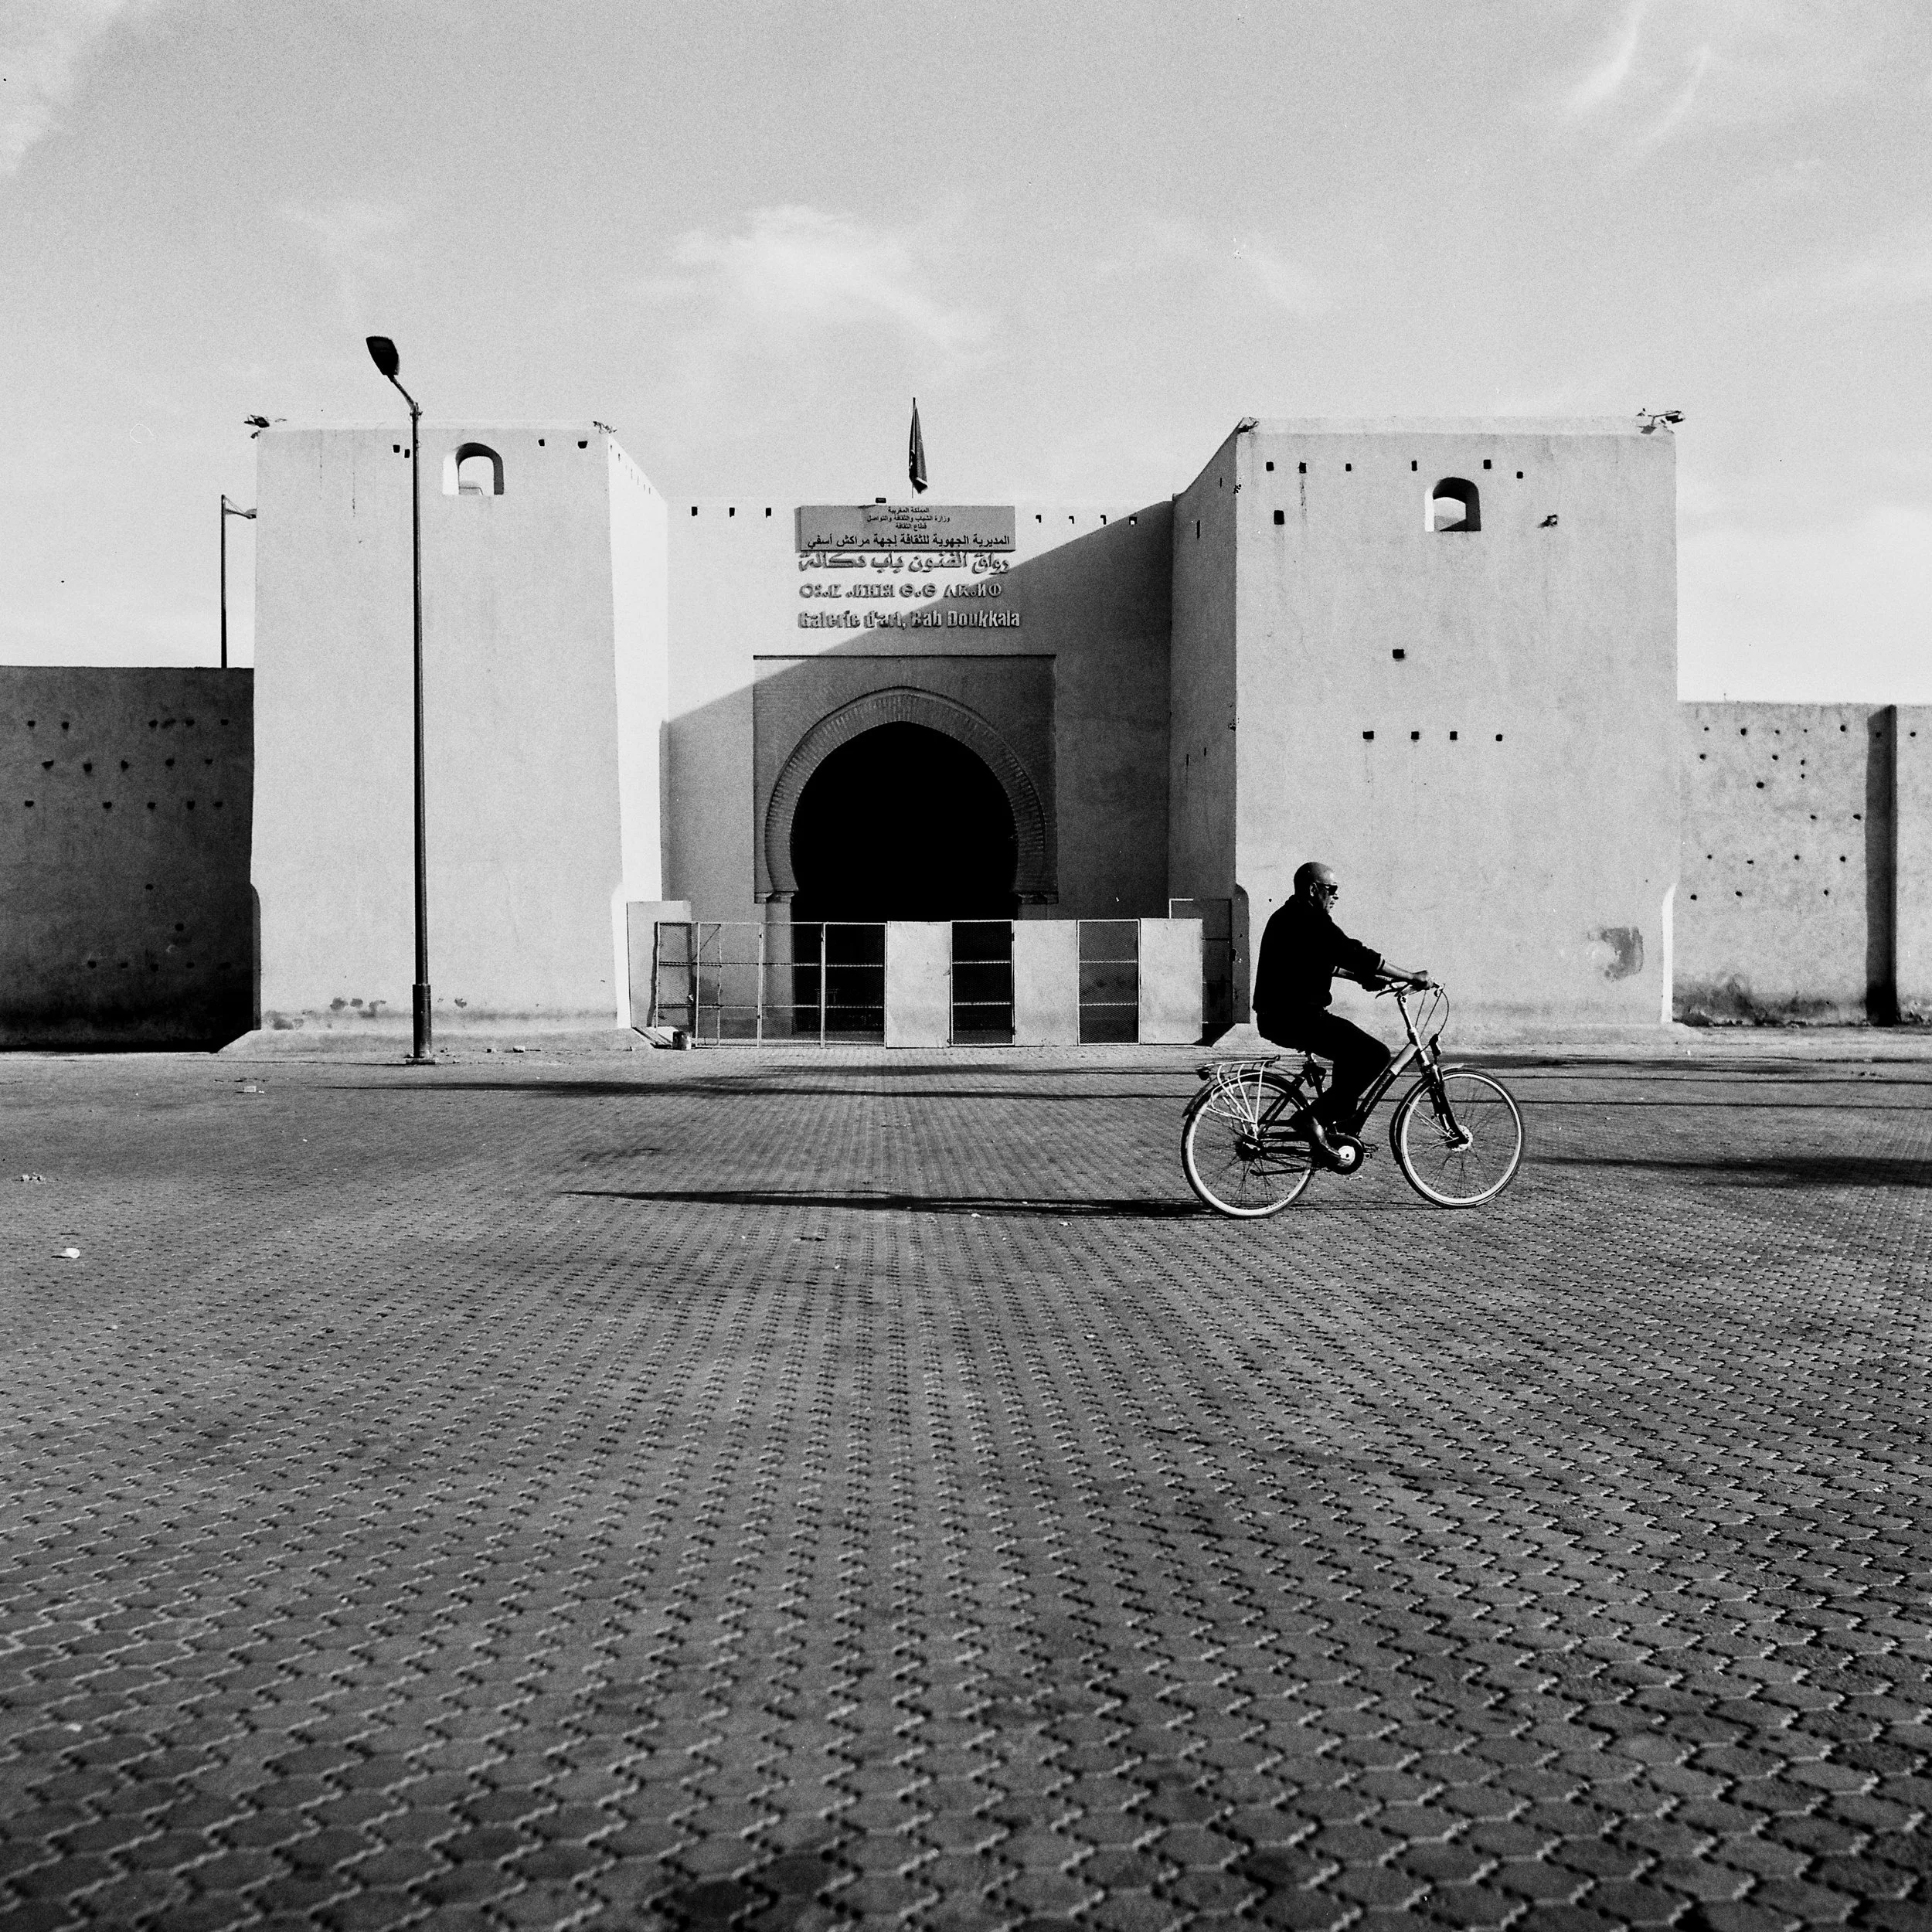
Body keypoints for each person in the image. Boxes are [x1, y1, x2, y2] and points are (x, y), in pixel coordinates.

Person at [1251, 862, 1430, 1158]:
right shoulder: (1310, 919)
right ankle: (1313, 1119)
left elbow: (1319, 963)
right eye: (1331, 889)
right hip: (1296, 1016)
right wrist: (1411, 976)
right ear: (1313, 889)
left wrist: (1361, 978)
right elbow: (1353, 952)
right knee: (1375, 1055)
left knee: (1350, 1051)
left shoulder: (1289, 916)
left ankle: (1337, 1128)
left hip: (1280, 1016)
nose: (1336, 896)